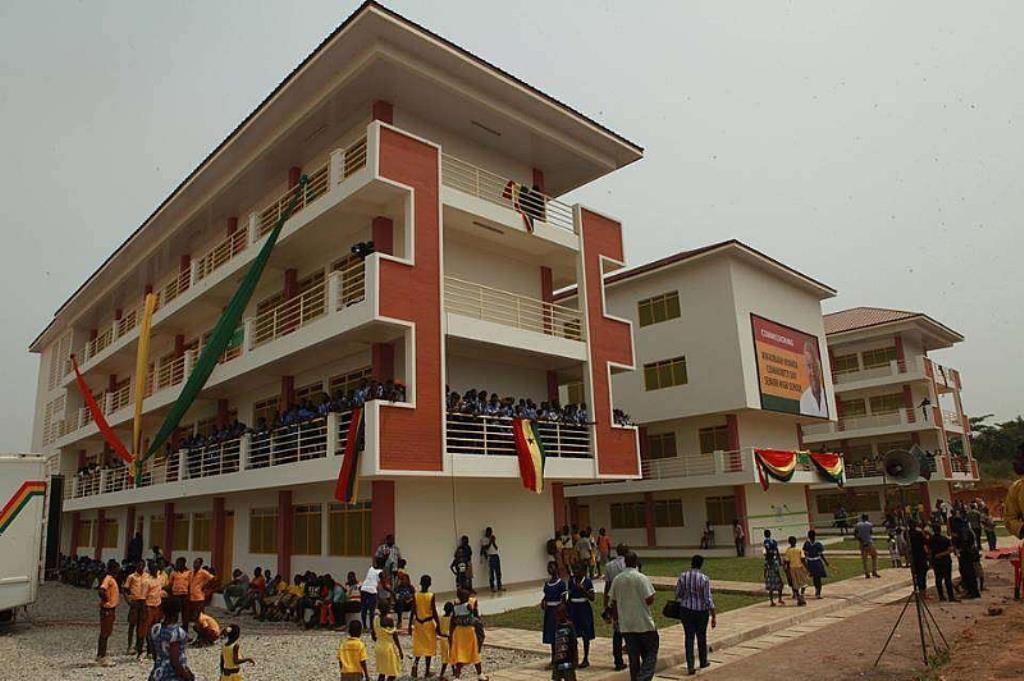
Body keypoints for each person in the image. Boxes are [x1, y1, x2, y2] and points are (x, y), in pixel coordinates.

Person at [608, 552, 658, 681]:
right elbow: (650, 599)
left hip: (627, 625)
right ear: (636, 562)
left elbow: (613, 602)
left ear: (625, 562)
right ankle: (643, 678)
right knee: (650, 654)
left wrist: (616, 620)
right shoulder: (641, 578)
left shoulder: (618, 579)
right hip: (643, 623)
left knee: (633, 659)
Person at [675, 554, 716, 676]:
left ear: (691, 563)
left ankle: (690, 665)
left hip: (686, 610)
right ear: (701, 564)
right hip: (701, 611)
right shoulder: (704, 579)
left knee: (689, 637)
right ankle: (703, 661)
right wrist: (713, 614)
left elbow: (678, 594)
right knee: (701, 636)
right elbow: (708, 599)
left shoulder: (683, 576)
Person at [148, 596, 195, 681]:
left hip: (157, 672)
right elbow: (175, 662)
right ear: (178, 612)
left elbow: (155, 654)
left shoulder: (155, 629)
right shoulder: (177, 633)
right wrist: (187, 676)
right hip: (171, 675)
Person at [449, 588, 485, 680]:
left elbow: (452, 621)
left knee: (460, 654)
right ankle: (480, 674)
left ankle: (457, 677)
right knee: (475, 651)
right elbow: (475, 614)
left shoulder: (455, 607)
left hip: (459, 632)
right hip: (469, 631)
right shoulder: (469, 605)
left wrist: (451, 634)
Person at [602, 544, 628, 671]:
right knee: (630, 629)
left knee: (617, 633)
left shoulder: (609, 566)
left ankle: (618, 661)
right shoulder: (630, 564)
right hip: (629, 602)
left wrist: (605, 604)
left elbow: (607, 586)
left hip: (615, 602)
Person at [410, 574, 440, 678]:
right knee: (429, 647)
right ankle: (427, 671)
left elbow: (413, 610)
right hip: (428, 623)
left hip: (418, 623)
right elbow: (434, 611)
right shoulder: (431, 596)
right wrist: (438, 624)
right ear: (430, 584)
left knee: (419, 646)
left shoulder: (416, 595)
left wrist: (410, 625)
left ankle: (415, 665)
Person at [566, 563, 595, 668]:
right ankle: (574, 657)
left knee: (585, 634)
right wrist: (567, 611)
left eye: (578, 569)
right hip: (573, 608)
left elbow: (592, 597)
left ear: (584, 571)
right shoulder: (571, 581)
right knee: (573, 634)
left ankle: (586, 658)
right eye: (574, 569)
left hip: (584, 608)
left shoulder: (587, 581)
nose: (576, 572)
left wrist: (583, 590)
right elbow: (569, 597)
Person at [541, 561, 568, 661]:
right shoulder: (547, 584)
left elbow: (563, 599)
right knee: (551, 635)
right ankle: (553, 658)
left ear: (556, 569)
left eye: (552, 567)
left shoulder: (561, 583)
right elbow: (546, 596)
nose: (550, 569)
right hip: (549, 611)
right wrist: (543, 601)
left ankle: (560, 657)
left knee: (558, 635)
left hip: (557, 612)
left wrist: (561, 611)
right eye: (549, 568)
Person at [97, 559, 120, 666]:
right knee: (105, 633)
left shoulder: (112, 579)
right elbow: (101, 590)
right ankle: (102, 656)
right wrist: (106, 599)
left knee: (106, 632)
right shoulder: (108, 579)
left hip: (110, 609)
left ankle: (100, 655)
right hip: (107, 609)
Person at [141, 561, 167, 660]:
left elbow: (163, 588)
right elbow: (143, 598)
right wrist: (144, 611)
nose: (155, 570)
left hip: (158, 606)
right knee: (148, 629)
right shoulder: (146, 581)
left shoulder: (160, 578)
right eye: (153, 568)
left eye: (156, 568)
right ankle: (149, 650)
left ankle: (155, 649)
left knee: (156, 628)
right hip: (149, 606)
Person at [799, 340, 828, 417]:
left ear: (819, 366)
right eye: (809, 366)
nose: (812, 372)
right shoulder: (804, 399)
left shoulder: (827, 395)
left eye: (814, 366)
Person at [550, 603, 579, 681]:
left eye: (559, 614)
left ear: (565, 614)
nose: (557, 617)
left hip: (568, 660)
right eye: (557, 615)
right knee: (556, 678)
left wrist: (575, 659)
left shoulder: (570, 627)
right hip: (558, 660)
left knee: (569, 677)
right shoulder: (557, 626)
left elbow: (574, 643)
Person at [124, 560, 147, 655]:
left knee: (141, 625)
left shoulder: (147, 576)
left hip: (143, 602)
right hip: (135, 602)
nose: (141, 567)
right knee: (132, 625)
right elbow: (125, 589)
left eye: (142, 565)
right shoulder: (131, 577)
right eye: (139, 565)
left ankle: (138, 645)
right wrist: (128, 601)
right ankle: (129, 646)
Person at [929, 525, 957, 602]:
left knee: (938, 579)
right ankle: (950, 596)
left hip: (936, 562)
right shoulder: (945, 539)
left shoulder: (931, 540)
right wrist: (942, 554)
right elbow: (950, 550)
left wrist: (931, 560)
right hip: (945, 561)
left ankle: (941, 596)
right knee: (947, 579)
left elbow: (929, 551)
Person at [188, 558, 214, 633]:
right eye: (194, 562)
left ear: (200, 564)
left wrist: (206, 586)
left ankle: (204, 629)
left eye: (197, 563)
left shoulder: (203, 572)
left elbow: (213, 579)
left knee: (200, 615)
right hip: (191, 597)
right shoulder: (191, 573)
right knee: (193, 616)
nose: (195, 564)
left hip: (199, 597)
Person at [375, 613, 403, 681]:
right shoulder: (389, 620)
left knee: (382, 672)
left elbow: (373, 634)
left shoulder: (376, 620)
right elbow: (395, 636)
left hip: (378, 646)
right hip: (388, 648)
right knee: (393, 672)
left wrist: (380, 639)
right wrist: (400, 649)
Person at [802, 530, 830, 599]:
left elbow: (805, 554)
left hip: (813, 562)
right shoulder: (813, 544)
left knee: (816, 578)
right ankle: (818, 593)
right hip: (815, 562)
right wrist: (825, 562)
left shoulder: (808, 543)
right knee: (817, 578)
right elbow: (821, 554)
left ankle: (817, 592)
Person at [854, 514, 881, 578]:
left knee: (864, 559)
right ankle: (874, 571)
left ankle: (867, 573)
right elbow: (871, 532)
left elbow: (855, 534)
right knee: (874, 556)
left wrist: (860, 539)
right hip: (869, 542)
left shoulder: (857, 525)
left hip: (862, 543)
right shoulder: (869, 524)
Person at [782, 536, 808, 606]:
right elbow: (803, 560)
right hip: (799, 568)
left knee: (795, 584)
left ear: (789, 542)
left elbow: (787, 561)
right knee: (803, 582)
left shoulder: (788, 550)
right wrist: (807, 568)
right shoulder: (799, 549)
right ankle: (801, 595)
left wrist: (787, 570)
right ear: (796, 542)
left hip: (792, 569)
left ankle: (799, 596)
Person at [361, 558, 384, 631]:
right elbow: (384, 585)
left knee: (364, 608)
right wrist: (392, 592)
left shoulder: (370, 568)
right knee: (372, 610)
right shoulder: (381, 572)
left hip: (363, 589)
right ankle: (371, 627)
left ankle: (364, 626)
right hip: (372, 590)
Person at [762, 530, 785, 606]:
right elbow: (776, 551)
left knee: (771, 587)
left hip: (770, 574)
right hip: (774, 573)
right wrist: (779, 559)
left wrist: (765, 574)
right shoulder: (773, 542)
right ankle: (779, 598)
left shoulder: (766, 543)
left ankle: (772, 601)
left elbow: (765, 569)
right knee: (780, 585)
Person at [907, 524, 929, 595]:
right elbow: (925, 542)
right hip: (921, 555)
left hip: (913, 555)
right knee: (922, 574)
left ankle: (918, 590)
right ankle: (923, 591)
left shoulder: (907, 533)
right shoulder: (919, 533)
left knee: (916, 573)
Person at [480, 528, 504, 592]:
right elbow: (486, 548)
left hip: (496, 556)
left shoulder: (493, 539)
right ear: (486, 532)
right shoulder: (484, 539)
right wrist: (490, 541)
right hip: (490, 556)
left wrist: (493, 542)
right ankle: (492, 587)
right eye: (489, 532)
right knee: (491, 573)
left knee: (498, 572)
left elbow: (496, 548)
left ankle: (499, 586)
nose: (490, 533)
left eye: (491, 532)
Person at [437, 601, 454, 681]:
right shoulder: (451, 619)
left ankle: (453, 670)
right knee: (449, 656)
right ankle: (441, 674)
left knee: (445, 656)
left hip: (442, 639)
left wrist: (441, 634)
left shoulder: (440, 618)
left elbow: (437, 629)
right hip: (449, 638)